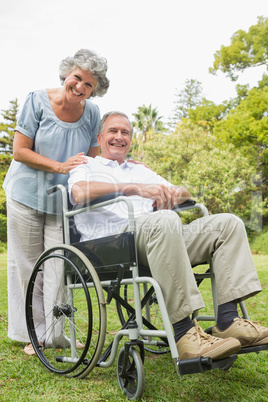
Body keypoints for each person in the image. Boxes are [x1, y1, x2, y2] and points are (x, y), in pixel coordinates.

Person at [68, 111, 268, 361]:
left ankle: (228, 320)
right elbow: (78, 193)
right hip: (114, 242)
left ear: (131, 139)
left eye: (125, 132)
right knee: (165, 220)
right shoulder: (87, 164)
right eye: (113, 131)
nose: (119, 137)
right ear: (99, 137)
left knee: (228, 223)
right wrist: (132, 188)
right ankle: (184, 333)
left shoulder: (139, 169)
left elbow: (183, 191)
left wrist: (171, 195)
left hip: (161, 232)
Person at [3, 49, 110, 355]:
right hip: (26, 194)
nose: (80, 88)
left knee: (58, 266)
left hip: (61, 201)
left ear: (95, 89)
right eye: (77, 78)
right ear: (67, 74)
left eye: (88, 85)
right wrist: (60, 166)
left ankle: (56, 334)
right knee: (28, 266)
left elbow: (91, 157)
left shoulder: (91, 113)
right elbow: (20, 151)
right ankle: (34, 336)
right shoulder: (37, 100)